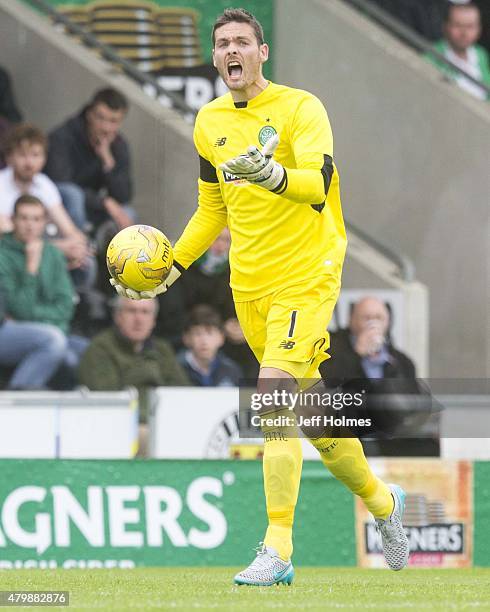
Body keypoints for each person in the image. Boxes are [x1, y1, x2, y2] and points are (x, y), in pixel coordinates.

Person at [110, 8, 410, 584]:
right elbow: (211, 209)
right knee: (314, 418)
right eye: (222, 44)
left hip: (308, 271)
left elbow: (318, 184)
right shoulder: (209, 122)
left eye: (242, 42)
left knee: (272, 397)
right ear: (216, 55)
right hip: (250, 285)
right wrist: (170, 264)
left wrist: (272, 176)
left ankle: (277, 548)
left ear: (262, 52)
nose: (231, 52)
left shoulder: (302, 108)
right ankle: (384, 504)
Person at [78, 296, 189, 456]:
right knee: (153, 437)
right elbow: (107, 402)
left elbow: (183, 392)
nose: (139, 319)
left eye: (145, 312)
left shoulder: (162, 349)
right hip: (121, 427)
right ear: (117, 316)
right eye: (132, 311)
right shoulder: (100, 349)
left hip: (166, 423)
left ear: (153, 321)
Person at [0, 195, 88, 389]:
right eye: (24, 218)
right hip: (11, 333)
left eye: (36, 219)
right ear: (13, 220)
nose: (30, 225)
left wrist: (45, 322)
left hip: (54, 330)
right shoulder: (2, 254)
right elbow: (20, 309)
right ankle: (18, 399)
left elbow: (65, 307)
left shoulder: (53, 253)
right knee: (57, 346)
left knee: (93, 353)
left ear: (45, 223)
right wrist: (31, 268)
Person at [0, 124, 95, 289]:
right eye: (23, 155)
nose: (29, 163)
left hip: (43, 247)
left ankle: (71, 304)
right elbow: (11, 240)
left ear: (44, 159)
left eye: (35, 155)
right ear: (9, 157)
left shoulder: (43, 184)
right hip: (11, 255)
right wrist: (60, 249)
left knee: (87, 264)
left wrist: (77, 248)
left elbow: (71, 231)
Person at [44, 87, 135, 235]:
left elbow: (123, 196)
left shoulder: (118, 145)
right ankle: (80, 251)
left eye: (113, 121)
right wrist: (103, 202)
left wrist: (108, 162)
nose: (106, 127)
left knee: (128, 213)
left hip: (95, 207)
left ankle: (112, 256)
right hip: (61, 206)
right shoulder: (63, 137)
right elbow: (60, 182)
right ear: (89, 114)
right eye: (101, 118)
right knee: (74, 196)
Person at [426, 2, 490, 100]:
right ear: (445, 27)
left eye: (470, 26)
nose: (464, 32)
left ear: (479, 29)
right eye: (458, 25)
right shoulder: (433, 55)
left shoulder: (481, 54)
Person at [178, 304, 242, 386]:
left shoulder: (232, 370)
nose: (204, 341)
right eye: (197, 333)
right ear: (186, 338)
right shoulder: (175, 368)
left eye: (209, 333)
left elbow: (244, 398)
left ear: (221, 337)